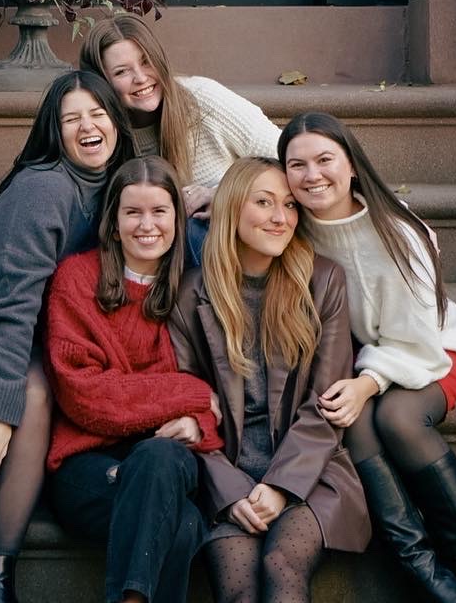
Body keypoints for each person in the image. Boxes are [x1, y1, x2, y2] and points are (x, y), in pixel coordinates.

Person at [279, 112, 456, 603]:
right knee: (355, 420)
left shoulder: (397, 231)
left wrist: (366, 383)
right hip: (361, 365)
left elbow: (418, 342)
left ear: (351, 165)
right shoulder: (292, 229)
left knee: (397, 419)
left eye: (325, 160)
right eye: (297, 165)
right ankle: (431, 578)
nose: (312, 175)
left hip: (432, 353)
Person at [0, 70, 133, 603]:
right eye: (71, 119)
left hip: (33, 340)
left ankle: (1, 581)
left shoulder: (118, 186)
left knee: (36, 393)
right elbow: (10, 304)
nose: (88, 127)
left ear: (116, 120)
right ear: (54, 131)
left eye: (98, 113)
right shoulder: (45, 189)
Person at [168, 157, 369, 603]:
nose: (282, 218)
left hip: (310, 471)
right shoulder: (189, 295)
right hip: (226, 474)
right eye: (264, 203)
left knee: (282, 565)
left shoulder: (322, 281)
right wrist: (230, 490)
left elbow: (326, 403)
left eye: (290, 205)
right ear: (233, 208)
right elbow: (186, 406)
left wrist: (279, 487)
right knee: (237, 587)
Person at [44, 156, 223, 603]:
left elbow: (231, 393)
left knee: (158, 457)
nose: (147, 225)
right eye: (133, 212)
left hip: (170, 462)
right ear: (113, 220)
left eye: (159, 211)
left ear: (177, 220)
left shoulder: (195, 290)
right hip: (88, 467)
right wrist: (196, 396)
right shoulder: (76, 278)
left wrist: (200, 424)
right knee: (181, 526)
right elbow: (86, 396)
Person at [79, 13, 280, 264]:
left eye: (146, 62)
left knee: (192, 229)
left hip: (224, 250)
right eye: (122, 72)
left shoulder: (202, 100)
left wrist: (221, 193)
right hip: (149, 256)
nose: (141, 78)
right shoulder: (100, 129)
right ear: (102, 82)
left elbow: (286, 157)